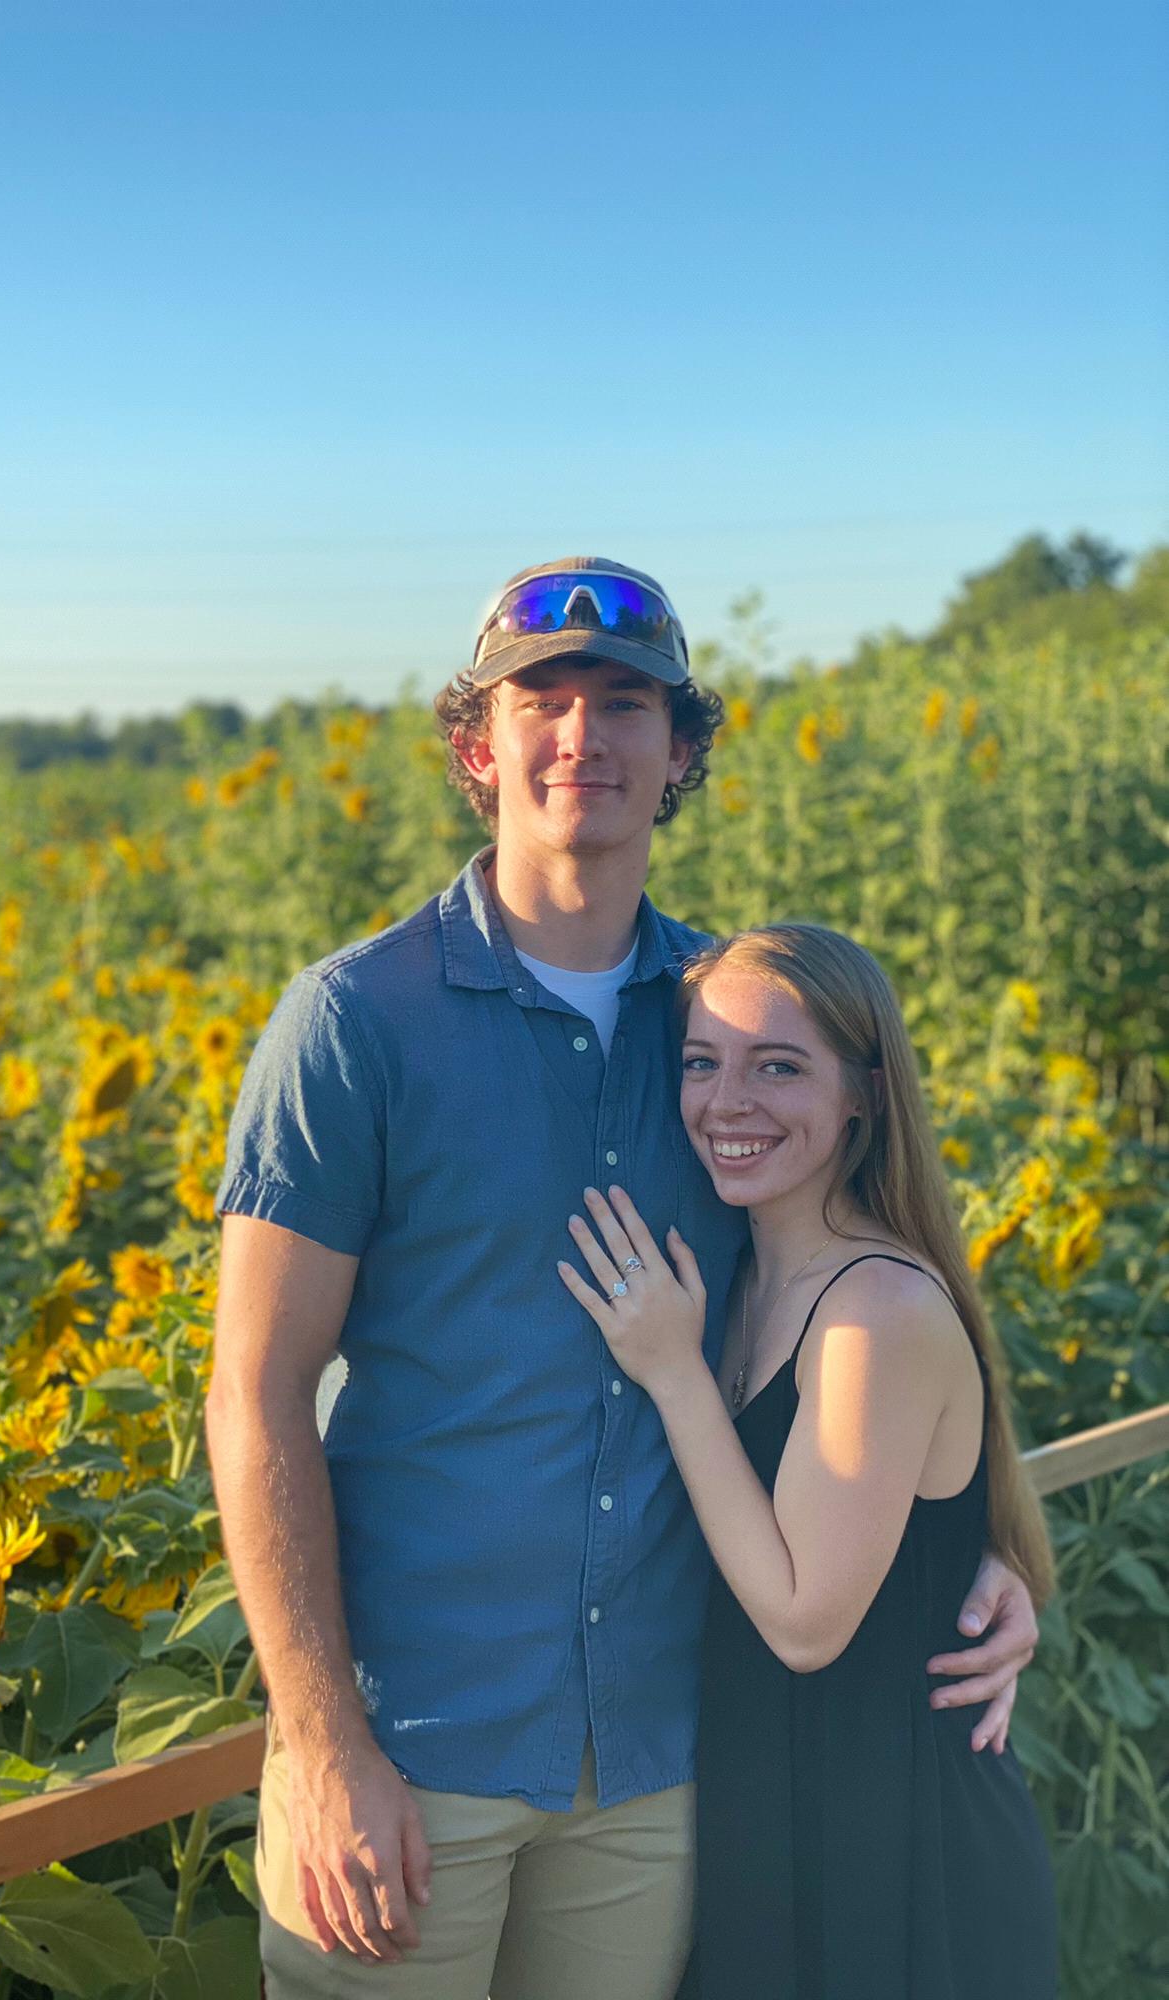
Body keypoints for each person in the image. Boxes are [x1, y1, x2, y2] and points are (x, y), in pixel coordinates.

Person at [206, 558, 1039, 2000]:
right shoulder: (353, 1023)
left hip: (661, 1762)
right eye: (543, 699)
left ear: (682, 752)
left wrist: (973, 1557)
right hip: (414, 1747)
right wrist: (323, 1742)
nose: (582, 733)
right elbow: (257, 1392)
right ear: (478, 745)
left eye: (627, 702)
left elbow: (869, 1297)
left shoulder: (732, 1026)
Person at [558, 922, 1057, 1996]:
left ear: (866, 1095)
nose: (727, 1102)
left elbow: (803, 1621)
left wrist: (675, 1374)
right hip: (775, 1823)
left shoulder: (876, 1309)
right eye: (702, 1062)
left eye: (779, 1067)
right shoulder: (740, 1280)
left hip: (901, 1851)